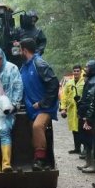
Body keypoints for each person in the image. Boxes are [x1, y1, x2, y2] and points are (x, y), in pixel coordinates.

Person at [19, 38, 59, 169]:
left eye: (20, 49)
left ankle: (39, 161)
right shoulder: (24, 67)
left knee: (37, 127)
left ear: (24, 50)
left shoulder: (39, 64)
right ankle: (46, 161)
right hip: (32, 109)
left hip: (44, 109)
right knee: (34, 132)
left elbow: (53, 84)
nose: (18, 52)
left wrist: (43, 103)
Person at [77, 60, 95, 172]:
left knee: (91, 140)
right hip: (86, 113)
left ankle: (94, 165)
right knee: (87, 140)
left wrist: (87, 115)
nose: (85, 69)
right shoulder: (90, 79)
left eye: (87, 67)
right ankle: (88, 163)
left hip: (89, 114)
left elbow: (91, 100)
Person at [60, 65, 86, 155]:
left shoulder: (84, 82)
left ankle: (85, 149)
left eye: (77, 71)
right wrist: (63, 108)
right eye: (74, 71)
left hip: (82, 109)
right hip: (72, 110)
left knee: (83, 129)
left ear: (81, 71)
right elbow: (64, 96)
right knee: (74, 130)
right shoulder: (69, 83)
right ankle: (77, 148)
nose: (76, 72)